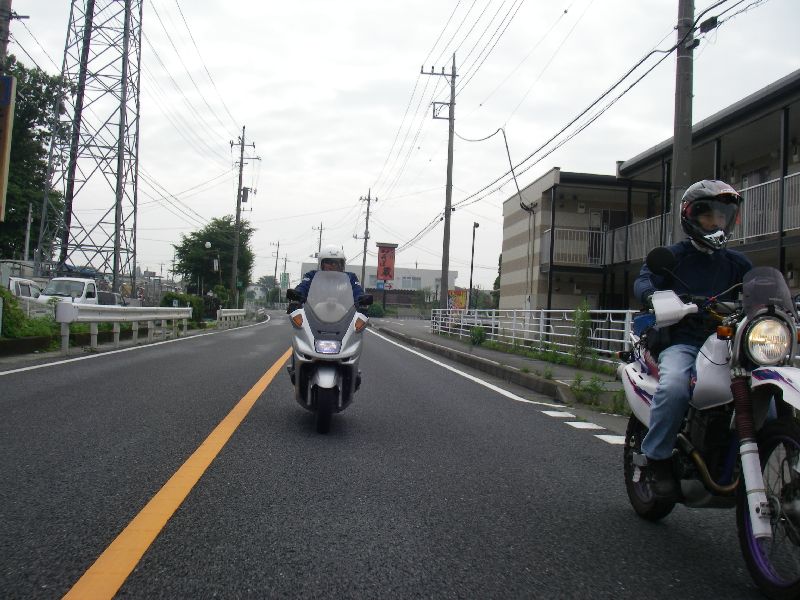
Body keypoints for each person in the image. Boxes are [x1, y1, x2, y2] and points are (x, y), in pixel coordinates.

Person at [633, 179, 752, 500]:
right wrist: (654, 296)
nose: (716, 222)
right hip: (683, 341)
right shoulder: (673, 257)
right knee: (674, 386)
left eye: (722, 216)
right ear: (691, 216)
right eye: (708, 215)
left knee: (768, 393)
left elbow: (761, 292)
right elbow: (644, 281)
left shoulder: (738, 264)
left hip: (729, 346)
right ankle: (656, 460)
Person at [292, 244, 365, 304]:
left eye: (337, 262)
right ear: (321, 264)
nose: (333, 265)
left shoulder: (350, 277)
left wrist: (361, 297)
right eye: (328, 262)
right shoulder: (312, 276)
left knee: (363, 314)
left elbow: (357, 290)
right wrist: (298, 293)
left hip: (346, 314)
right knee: (294, 310)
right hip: (313, 313)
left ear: (342, 265)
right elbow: (303, 286)